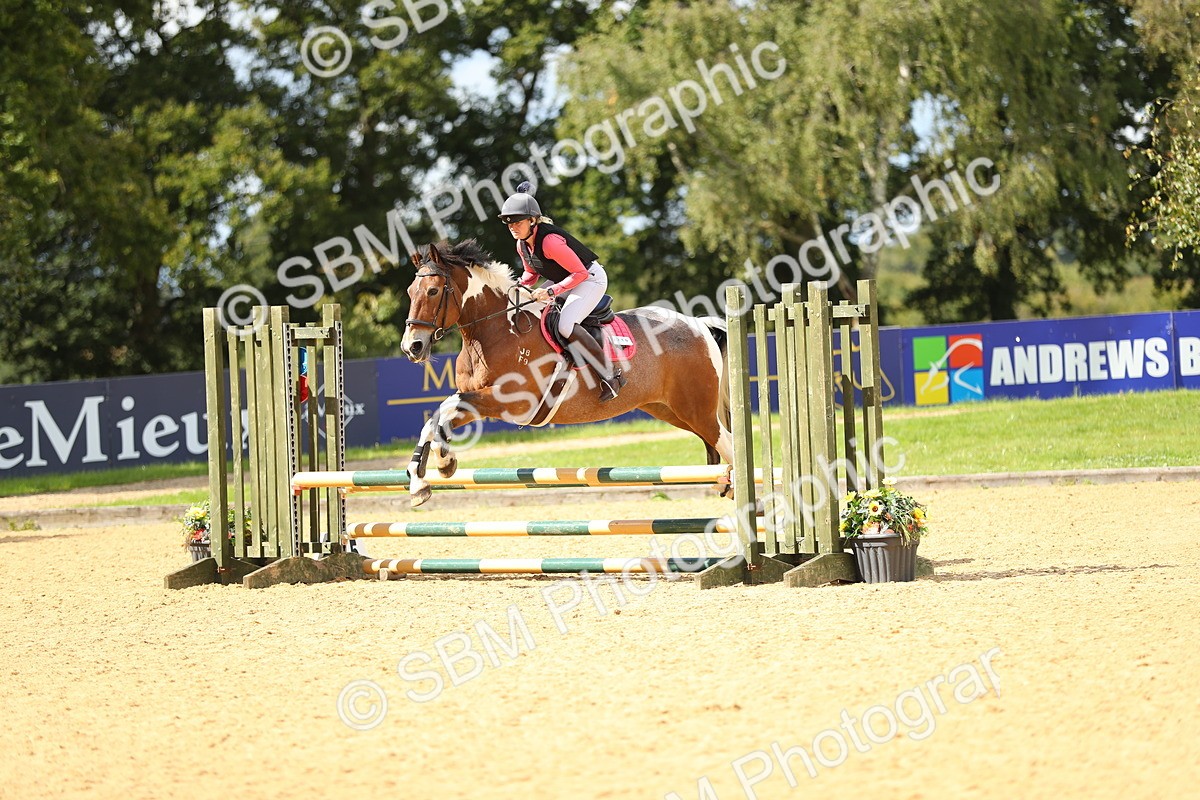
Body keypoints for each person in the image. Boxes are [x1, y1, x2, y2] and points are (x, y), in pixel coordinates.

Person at [498, 183, 627, 402]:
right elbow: (531, 273)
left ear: (532, 220)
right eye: (508, 222)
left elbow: (579, 274)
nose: (512, 226)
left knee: (565, 325)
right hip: (566, 279)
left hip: (590, 279)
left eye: (517, 221)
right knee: (530, 308)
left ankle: (610, 375)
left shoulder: (549, 241)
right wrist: (516, 287)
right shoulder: (522, 245)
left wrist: (550, 291)